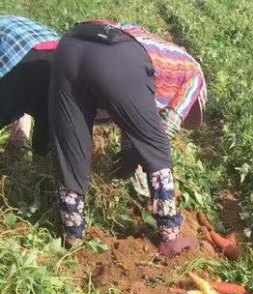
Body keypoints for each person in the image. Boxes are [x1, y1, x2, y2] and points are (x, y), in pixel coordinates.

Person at [49, 21, 206, 259]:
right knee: (158, 148)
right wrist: (148, 167)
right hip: (118, 56)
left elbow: (131, 121)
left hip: (70, 46)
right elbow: (162, 131)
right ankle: (171, 236)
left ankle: (73, 234)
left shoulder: (157, 48)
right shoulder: (194, 75)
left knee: (73, 148)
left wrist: (125, 168)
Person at [0, 16, 59, 155]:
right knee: (46, 116)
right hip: (51, 57)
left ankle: (19, 150)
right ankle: (22, 152)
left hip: (28, 49)